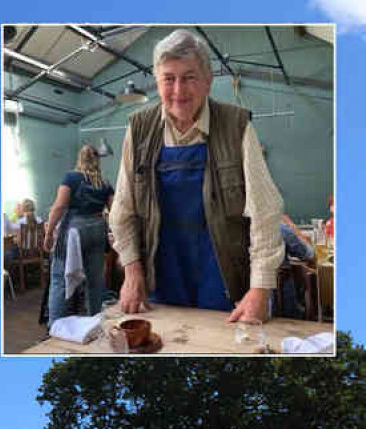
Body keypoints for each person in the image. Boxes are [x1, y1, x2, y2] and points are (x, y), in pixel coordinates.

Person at [109, 29, 284, 323]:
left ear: (208, 81)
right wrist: (132, 270)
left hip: (224, 276)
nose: (178, 90)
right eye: (169, 78)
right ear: (156, 80)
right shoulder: (139, 129)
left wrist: (260, 289)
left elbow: (264, 212)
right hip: (162, 274)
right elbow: (122, 210)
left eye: (189, 77)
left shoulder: (236, 125)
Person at [43, 143, 115, 327]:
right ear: (97, 160)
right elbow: (114, 211)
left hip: (74, 230)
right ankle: (95, 324)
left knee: (59, 278)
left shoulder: (71, 177)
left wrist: (49, 233)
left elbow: (59, 206)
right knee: (95, 281)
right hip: (98, 229)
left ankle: (56, 326)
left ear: (80, 159)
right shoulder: (105, 183)